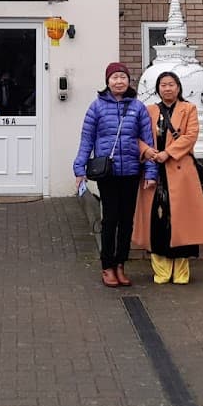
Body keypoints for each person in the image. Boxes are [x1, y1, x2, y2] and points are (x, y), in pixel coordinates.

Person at [73, 62, 155, 288]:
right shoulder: (96, 107)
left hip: (130, 172)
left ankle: (121, 264)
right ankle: (107, 266)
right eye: (114, 77)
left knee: (126, 221)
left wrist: (151, 171)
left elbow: (148, 142)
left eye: (123, 77)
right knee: (109, 220)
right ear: (107, 81)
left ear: (129, 81)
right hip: (107, 173)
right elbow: (86, 141)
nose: (119, 81)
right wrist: (79, 169)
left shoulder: (138, 108)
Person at [133, 70, 203, 284]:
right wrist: (147, 151)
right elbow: (137, 135)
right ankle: (161, 270)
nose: (167, 88)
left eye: (171, 84)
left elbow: (190, 136)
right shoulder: (149, 110)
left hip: (180, 171)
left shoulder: (189, 109)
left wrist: (168, 152)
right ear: (158, 89)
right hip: (154, 170)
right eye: (163, 85)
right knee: (156, 220)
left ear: (178, 87)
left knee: (181, 222)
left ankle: (181, 271)